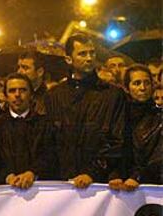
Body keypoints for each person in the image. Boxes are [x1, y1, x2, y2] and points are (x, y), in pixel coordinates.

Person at [44, 33, 126, 189]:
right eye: (82, 53)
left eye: (92, 53)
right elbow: (49, 141)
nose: (89, 58)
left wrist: (92, 173)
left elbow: (117, 139)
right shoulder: (54, 95)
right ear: (69, 59)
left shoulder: (113, 94)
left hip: (100, 185)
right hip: (62, 184)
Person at [0, 73, 56, 189]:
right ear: (5, 96)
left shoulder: (45, 124)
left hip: (38, 191)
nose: (17, 95)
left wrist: (32, 172)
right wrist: (7, 175)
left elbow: (50, 155)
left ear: (31, 94)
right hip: (4, 192)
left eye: (23, 90)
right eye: (12, 91)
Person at [17, 47, 48, 114]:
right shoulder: (14, 95)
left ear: (40, 72)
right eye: (18, 67)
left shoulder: (49, 98)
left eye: (25, 68)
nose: (19, 72)